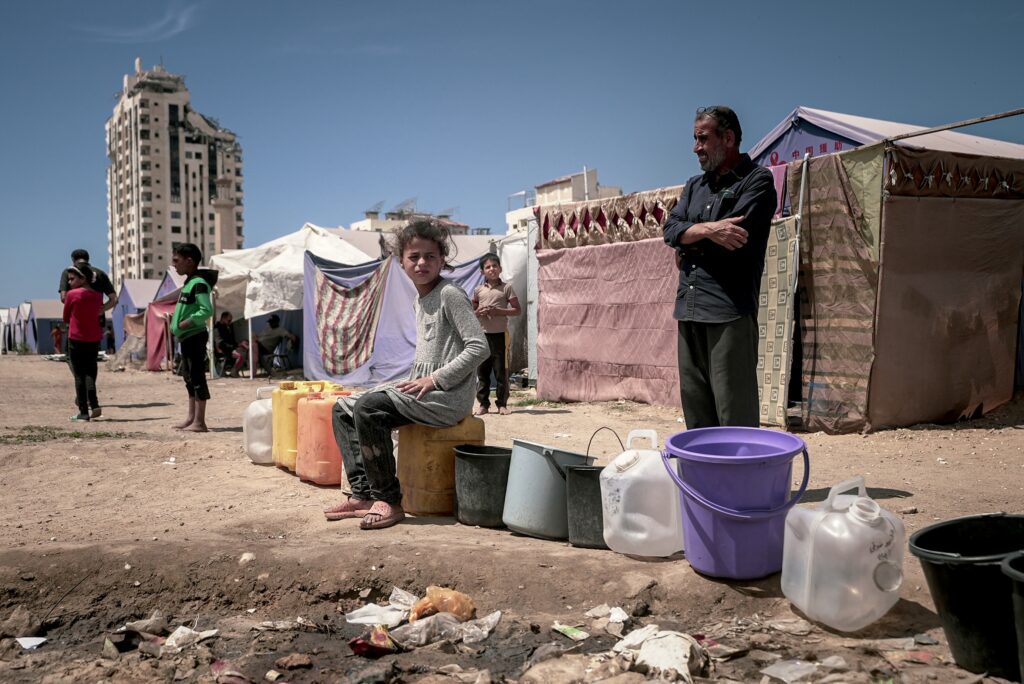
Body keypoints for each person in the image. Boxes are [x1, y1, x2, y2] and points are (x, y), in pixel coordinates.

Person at [324, 219, 488, 530]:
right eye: (414, 257)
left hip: (448, 397)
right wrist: (412, 381)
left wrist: (435, 379)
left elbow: (479, 347)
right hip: (425, 391)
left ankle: (390, 500)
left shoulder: (450, 294)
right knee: (342, 408)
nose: (422, 263)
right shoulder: (420, 299)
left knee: (369, 408)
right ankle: (363, 495)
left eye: (430, 256)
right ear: (402, 262)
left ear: (442, 259)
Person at [662, 106, 777, 428]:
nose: (695, 147)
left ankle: (740, 479)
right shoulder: (694, 186)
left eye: (702, 138)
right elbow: (670, 229)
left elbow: (736, 242)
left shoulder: (757, 181)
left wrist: (687, 240)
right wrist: (709, 230)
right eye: (695, 139)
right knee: (697, 414)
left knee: (734, 414)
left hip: (728, 312)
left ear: (728, 138)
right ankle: (703, 478)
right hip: (689, 309)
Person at [169, 242, 216, 432]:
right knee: (188, 377)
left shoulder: (199, 284)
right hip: (186, 338)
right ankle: (191, 418)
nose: (174, 265)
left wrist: (186, 322)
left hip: (195, 335)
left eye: (176, 260)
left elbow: (206, 310)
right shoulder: (189, 283)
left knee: (197, 376)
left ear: (189, 261)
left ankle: (200, 422)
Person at [471, 253, 520, 415]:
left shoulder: (506, 288)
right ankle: (483, 404)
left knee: (501, 371)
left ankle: (502, 404)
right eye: (487, 267)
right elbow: (471, 312)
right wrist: (479, 312)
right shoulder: (478, 291)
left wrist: (498, 311)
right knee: (482, 371)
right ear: (482, 272)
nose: (492, 269)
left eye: (494, 266)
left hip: (500, 335)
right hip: (482, 336)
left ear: (500, 268)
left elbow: (517, 310)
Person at [62, 263, 104, 421]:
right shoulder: (98, 296)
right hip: (93, 338)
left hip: (76, 338)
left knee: (79, 375)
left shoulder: (72, 295)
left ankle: (83, 412)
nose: (70, 282)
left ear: (83, 278)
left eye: (72, 279)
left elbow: (66, 317)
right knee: (90, 372)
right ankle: (94, 404)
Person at [58, 249, 118, 333]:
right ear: (88, 259)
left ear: (73, 259)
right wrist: (100, 310)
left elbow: (63, 297)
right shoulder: (100, 273)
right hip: (96, 321)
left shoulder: (69, 272)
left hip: (76, 323)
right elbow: (114, 299)